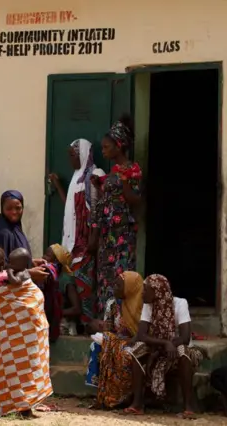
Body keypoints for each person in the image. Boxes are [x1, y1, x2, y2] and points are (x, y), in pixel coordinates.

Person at [0, 252, 53, 418]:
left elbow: (26, 297)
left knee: (24, 369)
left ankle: (24, 407)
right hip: (13, 334)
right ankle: (21, 407)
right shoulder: (9, 277)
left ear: (4, 263)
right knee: (15, 369)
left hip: (25, 334)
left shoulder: (10, 277)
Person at [124, 274, 204, 418]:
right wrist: (164, 344)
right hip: (159, 347)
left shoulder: (180, 304)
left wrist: (170, 344)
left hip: (178, 348)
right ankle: (137, 404)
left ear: (157, 291)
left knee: (183, 351)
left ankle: (188, 407)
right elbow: (142, 335)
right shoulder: (148, 305)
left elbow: (185, 338)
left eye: (146, 289)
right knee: (136, 350)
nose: (142, 293)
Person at [49, 138, 105, 325]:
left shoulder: (95, 175)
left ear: (82, 154)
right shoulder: (76, 178)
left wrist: (94, 237)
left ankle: (88, 322)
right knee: (73, 285)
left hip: (86, 241)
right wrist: (58, 186)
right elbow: (70, 208)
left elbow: (98, 209)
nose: (71, 160)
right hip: (72, 244)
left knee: (86, 284)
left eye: (73, 155)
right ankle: (79, 322)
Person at [92, 116, 142, 312]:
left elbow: (135, 199)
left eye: (106, 147)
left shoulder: (132, 170)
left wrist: (123, 184)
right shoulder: (113, 171)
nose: (103, 151)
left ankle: (122, 317)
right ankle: (107, 316)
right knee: (106, 274)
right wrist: (101, 185)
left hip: (122, 233)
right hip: (108, 232)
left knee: (121, 273)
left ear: (119, 146)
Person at [0, 190, 49, 337]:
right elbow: (1, 270)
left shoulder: (14, 228)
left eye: (18, 208)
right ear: (2, 209)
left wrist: (30, 262)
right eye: (9, 208)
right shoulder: (3, 233)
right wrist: (30, 273)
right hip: (7, 300)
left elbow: (12, 257)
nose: (14, 212)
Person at [85, 271, 143, 408]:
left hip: (139, 342)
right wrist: (113, 341)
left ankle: (125, 397)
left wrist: (124, 342)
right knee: (96, 346)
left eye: (118, 285)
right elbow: (108, 329)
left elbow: (145, 332)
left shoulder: (143, 304)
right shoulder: (112, 303)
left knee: (126, 354)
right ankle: (103, 394)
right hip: (118, 340)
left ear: (129, 287)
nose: (113, 288)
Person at [41, 244, 74, 339]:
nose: (43, 257)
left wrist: (56, 313)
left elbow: (76, 308)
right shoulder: (45, 276)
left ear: (56, 261)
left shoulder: (65, 280)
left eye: (47, 255)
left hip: (63, 322)